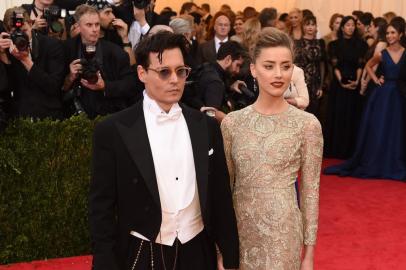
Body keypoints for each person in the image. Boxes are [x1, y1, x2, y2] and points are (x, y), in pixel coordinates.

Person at [89, 31, 239, 270]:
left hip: (198, 250)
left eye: (181, 71)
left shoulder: (206, 127)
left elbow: (220, 195)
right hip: (143, 251)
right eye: (164, 72)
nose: (174, 80)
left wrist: (229, 255)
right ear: (142, 74)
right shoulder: (113, 130)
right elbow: (102, 206)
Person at [221, 27, 323, 270]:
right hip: (240, 233)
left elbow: (310, 193)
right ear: (254, 69)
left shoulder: (307, 125)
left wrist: (308, 256)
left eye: (286, 66)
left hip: (284, 236)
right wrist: (220, 249)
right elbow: (224, 192)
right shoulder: (232, 123)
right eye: (269, 66)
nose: (279, 74)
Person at [324, 20, 406, 181]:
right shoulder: (382, 53)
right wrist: (376, 79)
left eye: (393, 33)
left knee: (396, 130)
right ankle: (378, 162)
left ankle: (393, 162)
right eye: (388, 33)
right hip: (383, 96)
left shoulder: (405, 52)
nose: (389, 36)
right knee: (380, 128)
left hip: (399, 95)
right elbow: (368, 66)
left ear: (401, 34)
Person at [63, 4, 138, 118]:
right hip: (74, 117)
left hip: (109, 114)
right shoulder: (66, 49)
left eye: (97, 24)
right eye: (89, 25)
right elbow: (55, 86)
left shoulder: (115, 52)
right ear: (78, 26)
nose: (94, 29)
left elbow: (131, 85)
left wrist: (105, 86)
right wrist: (70, 77)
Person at [0, 6, 65, 120]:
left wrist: (25, 60)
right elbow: (7, 88)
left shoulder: (52, 46)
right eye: (16, 32)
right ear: (7, 31)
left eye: (24, 31)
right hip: (19, 119)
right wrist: (3, 56)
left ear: (31, 24)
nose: (21, 36)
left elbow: (53, 86)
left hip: (49, 118)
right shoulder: (5, 50)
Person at [324, 16, 368, 159]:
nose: (351, 27)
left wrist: (356, 81)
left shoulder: (361, 45)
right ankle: (337, 150)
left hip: (355, 84)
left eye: (353, 25)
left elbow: (361, 64)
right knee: (339, 116)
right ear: (342, 27)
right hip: (339, 85)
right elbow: (334, 65)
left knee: (353, 116)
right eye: (347, 25)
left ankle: (351, 150)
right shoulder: (334, 45)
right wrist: (341, 81)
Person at [294, 15, 326, 116]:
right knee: (301, 113)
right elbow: (295, 65)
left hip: (315, 83)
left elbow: (322, 64)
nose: (310, 27)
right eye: (307, 24)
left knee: (314, 114)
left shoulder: (320, 43)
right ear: (303, 27)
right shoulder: (297, 43)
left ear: (316, 27)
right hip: (301, 82)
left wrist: (321, 86)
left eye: (313, 24)